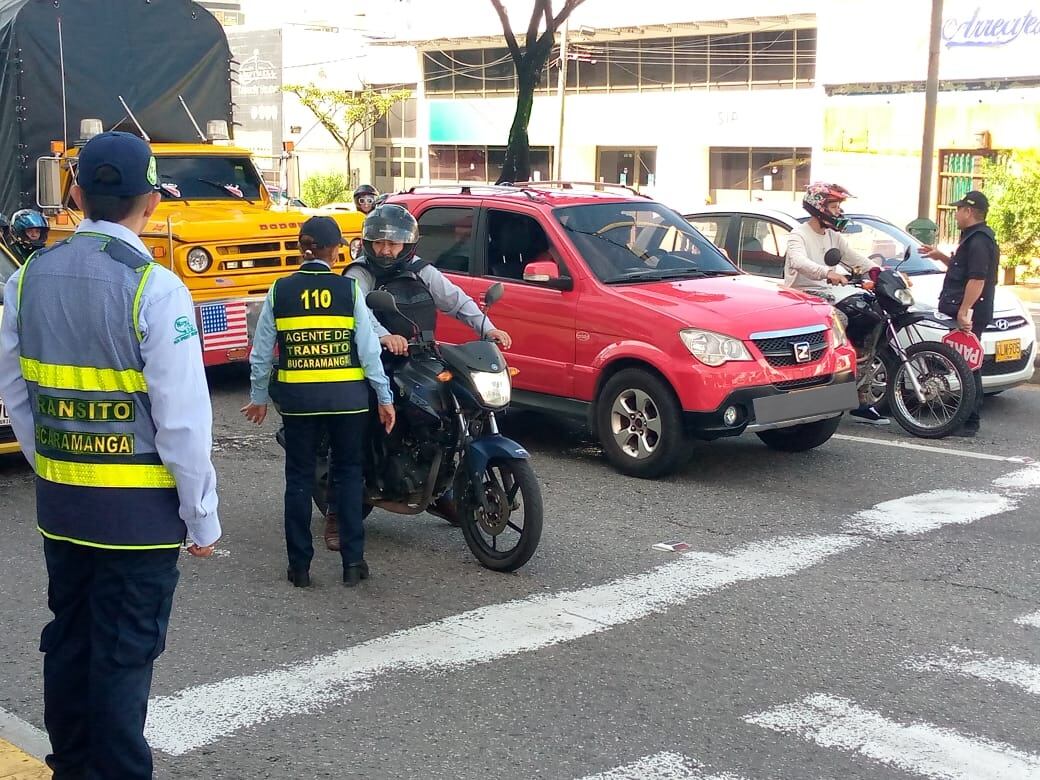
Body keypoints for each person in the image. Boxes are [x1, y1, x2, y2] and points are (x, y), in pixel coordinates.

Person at [0, 131, 220, 779]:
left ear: (75, 194)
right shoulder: (155, 287)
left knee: (69, 642)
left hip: (62, 508)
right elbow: (182, 421)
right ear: (151, 201)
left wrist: (51, 463)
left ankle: (70, 768)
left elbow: (16, 391)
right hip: (138, 521)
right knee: (123, 658)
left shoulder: (27, 277)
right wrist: (201, 516)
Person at [242, 215, 396, 587]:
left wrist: (259, 397)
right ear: (336, 251)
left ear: (301, 248)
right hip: (349, 400)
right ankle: (353, 563)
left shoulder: (280, 291)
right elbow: (369, 351)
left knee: (298, 478)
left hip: (299, 401)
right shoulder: (349, 291)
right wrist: (384, 396)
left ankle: (300, 568)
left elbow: (261, 353)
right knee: (349, 475)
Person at [784, 182, 888, 425]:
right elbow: (798, 261)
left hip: (830, 293)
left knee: (871, 317)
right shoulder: (799, 234)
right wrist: (827, 273)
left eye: (839, 206)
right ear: (818, 207)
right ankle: (825, 388)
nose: (838, 211)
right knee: (839, 321)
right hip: (803, 295)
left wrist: (882, 273)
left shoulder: (833, 236)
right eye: (834, 206)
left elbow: (855, 258)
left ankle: (860, 398)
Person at [919, 190, 998, 437]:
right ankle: (966, 417)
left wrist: (964, 311)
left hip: (971, 312)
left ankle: (970, 419)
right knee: (965, 363)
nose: (955, 215)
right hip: (968, 309)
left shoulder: (979, 241)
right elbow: (962, 270)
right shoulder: (972, 237)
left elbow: (977, 279)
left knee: (968, 364)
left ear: (969, 211)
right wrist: (941, 257)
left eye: (958, 210)